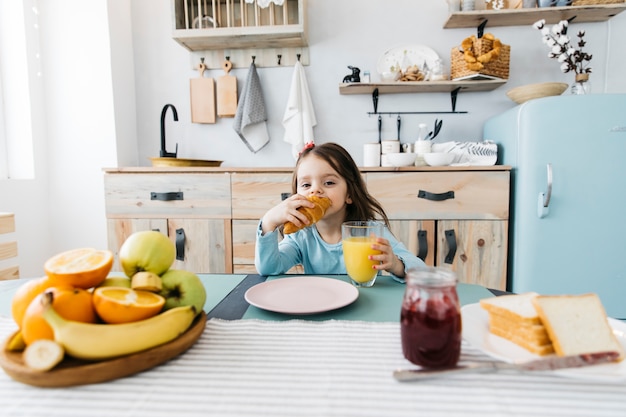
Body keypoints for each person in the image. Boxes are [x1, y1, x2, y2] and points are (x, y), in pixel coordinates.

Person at [255, 142, 425, 281]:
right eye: (306, 185)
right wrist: (268, 221)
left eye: (328, 183)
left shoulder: (370, 233)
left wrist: (396, 265)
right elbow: (269, 269)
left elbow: (421, 270)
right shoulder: (301, 237)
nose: (315, 190)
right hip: (320, 307)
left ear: (349, 193)